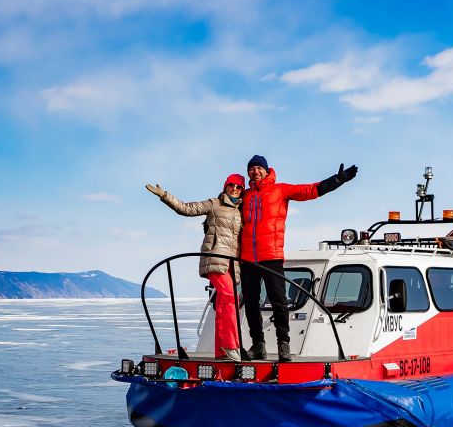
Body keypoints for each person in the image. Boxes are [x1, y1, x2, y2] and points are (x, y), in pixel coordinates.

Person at [240, 154, 358, 362]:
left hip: (271, 255)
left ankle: (283, 345)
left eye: (259, 168)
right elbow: (225, 212)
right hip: (248, 257)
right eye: (252, 169)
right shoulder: (245, 195)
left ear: (267, 171)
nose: (255, 171)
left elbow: (310, 190)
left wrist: (337, 180)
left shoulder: (280, 190)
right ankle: (258, 345)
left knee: (279, 301)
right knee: (250, 303)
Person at [145, 175, 245, 361]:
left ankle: (221, 351)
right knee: (229, 296)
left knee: (225, 302)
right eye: (231, 185)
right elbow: (186, 209)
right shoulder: (214, 204)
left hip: (232, 263)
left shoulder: (242, 211)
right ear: (225, 187)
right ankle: (231, 345)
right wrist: (164, 195)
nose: (234, 188)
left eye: (239, 186)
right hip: (214, 258)